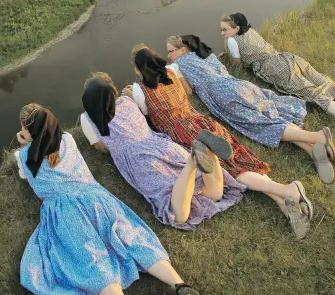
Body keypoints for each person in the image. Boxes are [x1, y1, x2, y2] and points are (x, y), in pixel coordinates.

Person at [15, 103, 216, 295]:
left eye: (23, 126)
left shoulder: (23, 157)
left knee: (89, 257)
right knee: (132, 237)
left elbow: (27, 172)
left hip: (64, 211)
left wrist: (24, 140)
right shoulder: (66, 140)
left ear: (28, 130)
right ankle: (183, 288)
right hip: (96, 199)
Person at [126, 44, 314, 239]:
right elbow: (187, 92)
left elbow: (144, 116)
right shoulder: (172, 72)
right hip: (201, 121)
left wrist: (129, 96)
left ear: (138, 69)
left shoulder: (140, 91)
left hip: (181, 132)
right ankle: (283, 202)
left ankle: (287, 189)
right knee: (238, 159)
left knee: (232, 170)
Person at [80, 73, 247, 231]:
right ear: (112, 91)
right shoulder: (127, 101)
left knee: (179, 214)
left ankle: (192, 163)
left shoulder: (89, 118)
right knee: (215, 194)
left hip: (140, 160)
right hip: (160, 144)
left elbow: (102, 149)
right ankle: (207, 151)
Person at [166, 35, 335, 185]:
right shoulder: (205, 54)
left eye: (171, 51)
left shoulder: (178, 65)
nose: (169, 56)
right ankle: (311, 149)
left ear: (183, 49)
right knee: (268, 116)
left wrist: (180, 79)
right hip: (239, 85)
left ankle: (316, 136)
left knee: (261, 125)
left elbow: (188, 91)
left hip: (223, 97)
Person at [220, 13, 335, 141]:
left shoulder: (232, 40)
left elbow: (236, 63)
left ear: (236, 28)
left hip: (277, 70)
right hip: (288, 58)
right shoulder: (250, 31)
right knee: (332, 87)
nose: (222, 33)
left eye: (224, 29)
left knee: (318, 96)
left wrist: (230, 54)